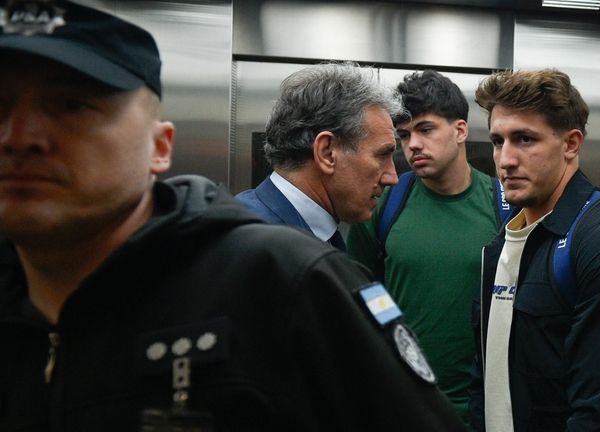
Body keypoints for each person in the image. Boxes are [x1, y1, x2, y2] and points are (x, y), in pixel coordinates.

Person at [0, 1, 467, 431]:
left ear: (160, 148)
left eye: (70, 106)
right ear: (325, 151)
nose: (19, 138)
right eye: (0, 106)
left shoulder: (280, 275)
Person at [469, 69, 600, 432]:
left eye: (524, 139)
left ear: (571, 144)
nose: (505, 160)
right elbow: (486, 373)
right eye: (498, 141)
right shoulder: (506, 238)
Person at [347, 70, 507, 427]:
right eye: (403, 135)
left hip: (482, 410)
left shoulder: (504, 205)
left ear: (460, 131)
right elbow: (354, 301)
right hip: (402, 405)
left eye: (426, 129)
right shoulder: (384, 205)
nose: (412, 144)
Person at [234, 62, 402, 251]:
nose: (393, 178)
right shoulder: (255, 247)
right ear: (327, 153)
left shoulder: (302, 236)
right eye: (381, 156)